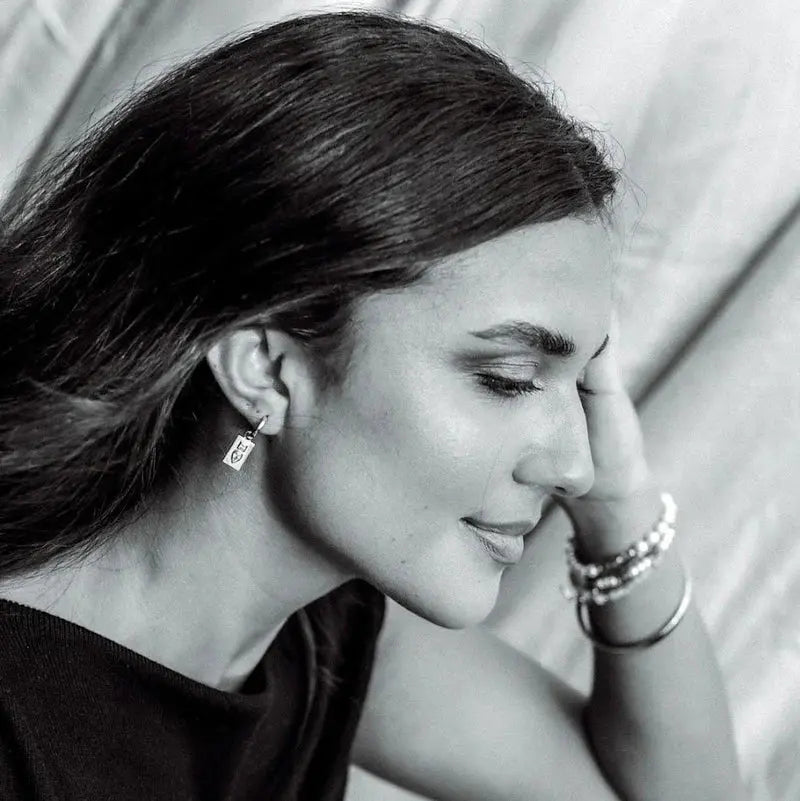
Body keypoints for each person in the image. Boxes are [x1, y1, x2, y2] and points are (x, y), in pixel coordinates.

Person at [0, 10, 744, 801]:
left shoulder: (318, 630)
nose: (573, 464)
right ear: (265, 368)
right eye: (508, 375)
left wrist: (620, 506)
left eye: (583, 382)